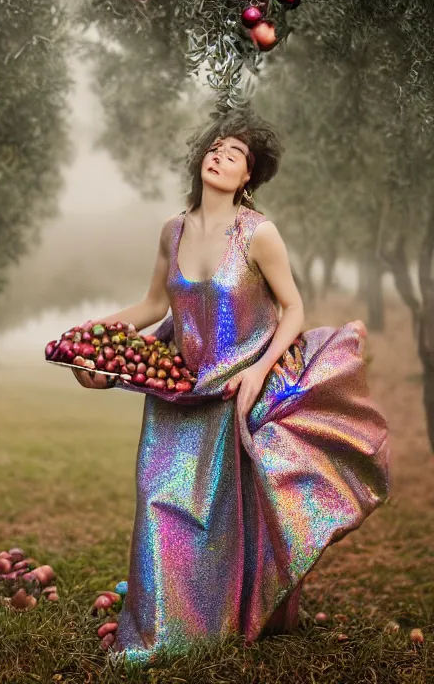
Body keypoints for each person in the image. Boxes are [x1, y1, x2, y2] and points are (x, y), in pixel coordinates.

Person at [70, 109, 390, 665]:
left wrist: (257, 370)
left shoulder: (259, 233)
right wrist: (91, 338)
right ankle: (156, 633)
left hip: (238, 389)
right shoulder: (172, 230)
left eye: (234, 154)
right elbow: (152, 306)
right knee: (159, 496)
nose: (219, 156)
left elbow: (293, 308)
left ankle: (218, 621)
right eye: (215, 148)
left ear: (248, 176)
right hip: (179, 388)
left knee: (225, 515)